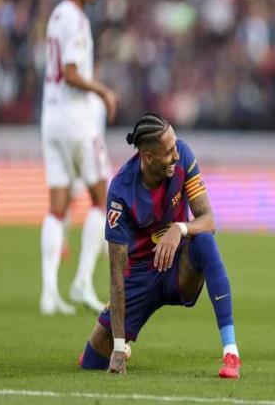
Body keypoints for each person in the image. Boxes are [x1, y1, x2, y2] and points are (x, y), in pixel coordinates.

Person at [78, 113, 241, 378]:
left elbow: (209, 220)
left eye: (175, 146)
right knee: (91, 361)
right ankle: (122, 346)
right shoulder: (120, 191)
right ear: (148, 157)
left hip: (178, 267)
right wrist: (117, 347)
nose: (176, 155)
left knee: (204, 241)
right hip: (139, 277)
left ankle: (231, 353)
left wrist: (180, 228)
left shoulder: (183, 157)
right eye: (168, 152)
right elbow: (116, 273)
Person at [40, 0, 118, 315]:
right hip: (76, 121)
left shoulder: (57, 15)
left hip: (51, 118)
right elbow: (71, 73)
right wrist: (102, 90)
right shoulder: (75, 19)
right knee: (104, 197)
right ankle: (83, 280)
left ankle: (48, 293)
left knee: (57, 208)